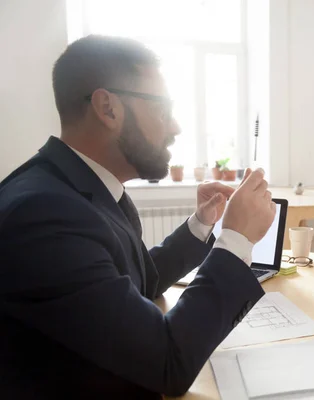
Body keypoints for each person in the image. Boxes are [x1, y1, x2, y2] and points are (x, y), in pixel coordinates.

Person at [0, 35, 276, 399]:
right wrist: (236, 239)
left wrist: (202, 224)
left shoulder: (82, 188)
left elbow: (136, 283)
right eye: (162, 109)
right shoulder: (42, 214)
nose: (175, 127)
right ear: (108, 108)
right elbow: (167, 364)